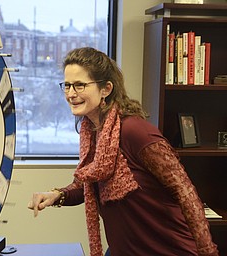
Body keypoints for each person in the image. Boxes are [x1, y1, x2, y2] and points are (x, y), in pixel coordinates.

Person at [27, 47, 219, 256]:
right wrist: (57, 195)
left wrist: (208, 252)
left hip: (166, 250)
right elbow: (90, 185)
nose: (71, 94)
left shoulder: (136, 132)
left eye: (80, 85)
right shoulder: (91, 132)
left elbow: (186, 194)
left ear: (106, 89)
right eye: (67, 85)